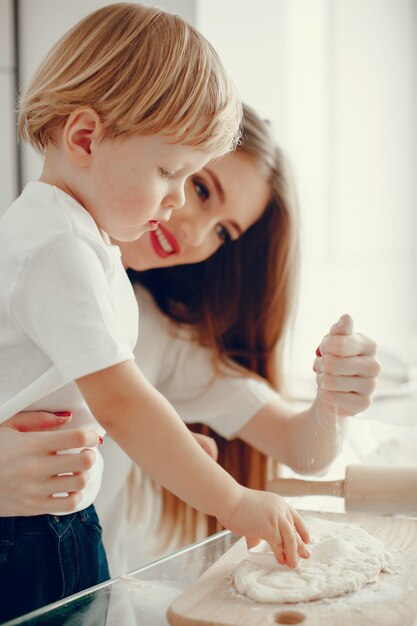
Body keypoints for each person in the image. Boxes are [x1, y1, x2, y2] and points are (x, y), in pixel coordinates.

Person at [0, 4, 312, 622]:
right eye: (173, 173)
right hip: (32, 534)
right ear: (86, 137)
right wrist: (234, 501)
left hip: (49, 518)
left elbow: (75, 397)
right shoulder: (60, 247)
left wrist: (165, 442)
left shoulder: (77, 242)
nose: (173, 204)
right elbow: (119, 396)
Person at [3, 104, 380, 580]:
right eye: (199, 188)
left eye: (224, 231)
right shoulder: (33, 257)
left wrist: (333, 398)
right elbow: (120, 402)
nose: (195, 232)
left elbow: (300, 447)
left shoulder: (154, 329)